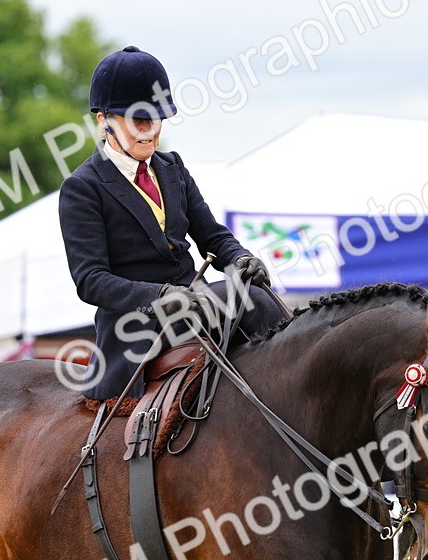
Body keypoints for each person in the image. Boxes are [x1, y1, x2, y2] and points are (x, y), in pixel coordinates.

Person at [58, 46, 283, 401]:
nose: (149, 132)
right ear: (103, 121)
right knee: (247, 300)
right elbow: (90, 281)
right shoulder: (82, 188)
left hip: (196, 304)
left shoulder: (172, 168)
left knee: (258, 296)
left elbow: (213, 236)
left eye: (156, 120)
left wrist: (239, 258)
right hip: (137, 324)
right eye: (137, 122)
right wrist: (160, 296)